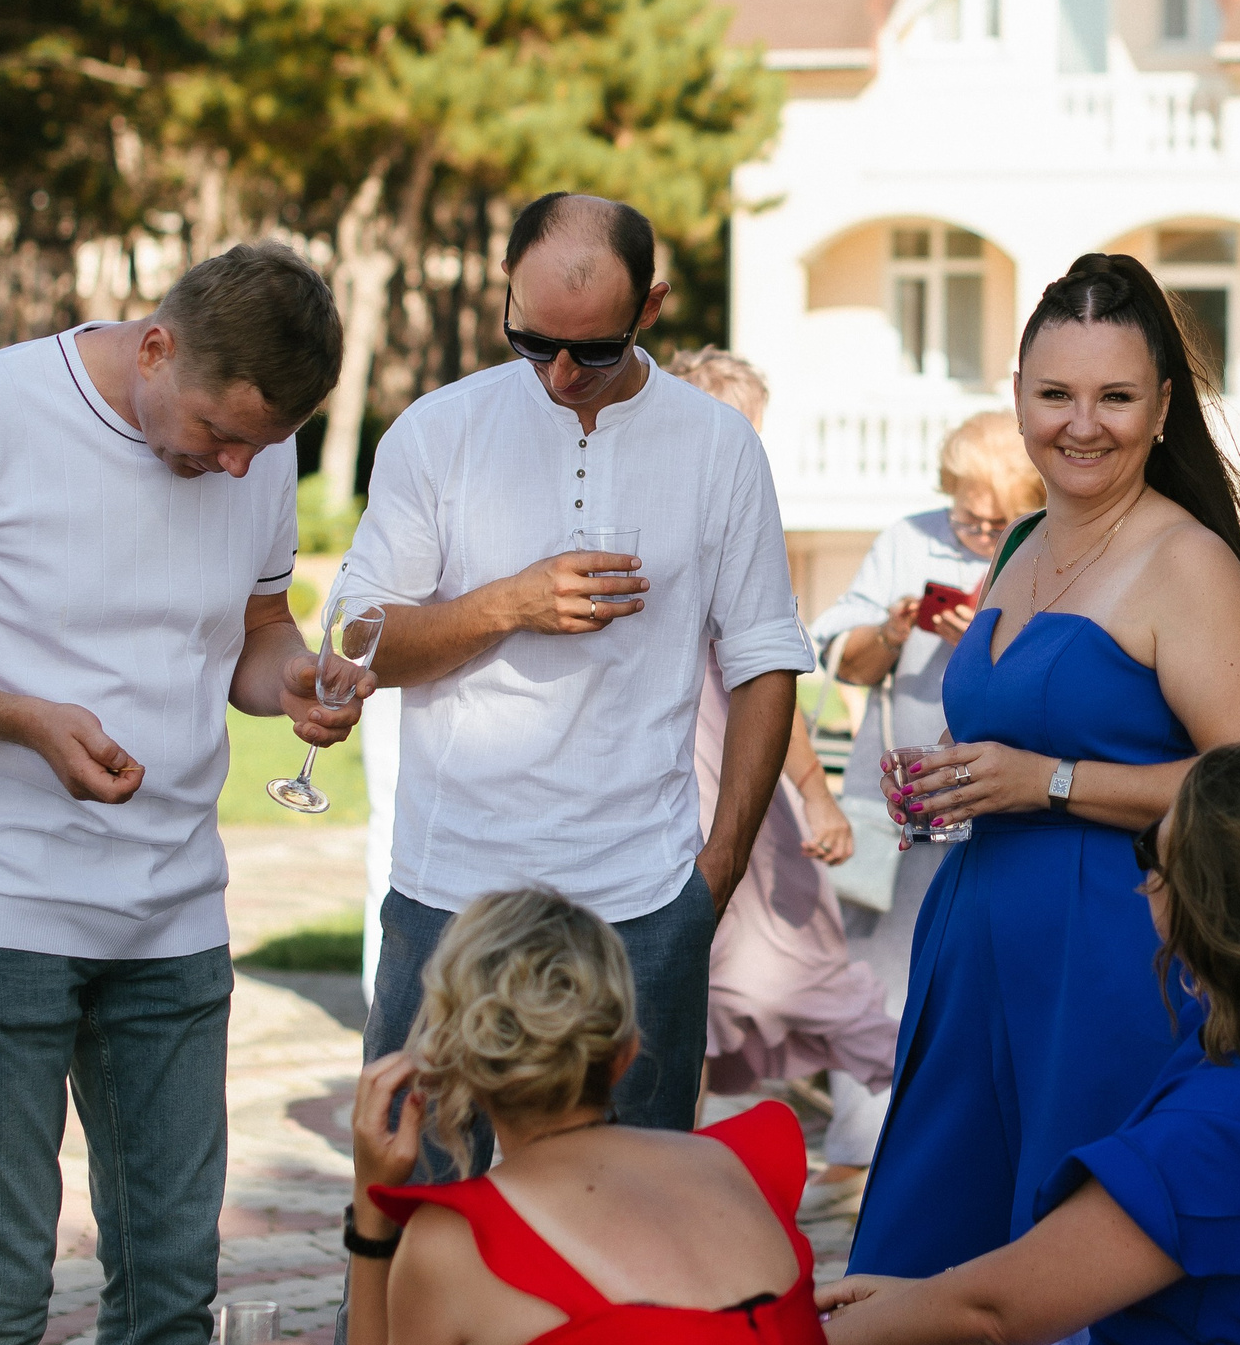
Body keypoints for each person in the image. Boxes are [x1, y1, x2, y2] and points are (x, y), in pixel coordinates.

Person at [0, 242, 360, 1345]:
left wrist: (289, 680)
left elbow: (253, 631)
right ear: (154, 347)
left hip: (175, 914)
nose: (239, 469)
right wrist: (25, 718)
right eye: (220, 434)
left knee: (168, 1296)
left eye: (265, 445)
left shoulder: (256, 450)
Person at [846, 252, 1240, 1286]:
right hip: (971, 946)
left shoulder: (1184, 563)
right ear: (1016, 397)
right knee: (927, 1259)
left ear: (1164, 407)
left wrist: (1046, 783)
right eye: (1054, 394)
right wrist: (952, 779)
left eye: (1115, 397)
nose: (1080, 424)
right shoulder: (1021, 545)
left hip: (1111, 958)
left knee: (1068, 1273)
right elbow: (1005, 736)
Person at [338, 192, 811, 1160]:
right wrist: (504, 605)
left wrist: (713, 873)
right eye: (531, 340)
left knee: (631, 1211)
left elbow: (764, 658)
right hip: (452, 885)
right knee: (419, 1196)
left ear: (652, 305)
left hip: (641, 891)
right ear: (504, 293)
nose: (558, 374)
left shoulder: (717, 447)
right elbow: (357, 644)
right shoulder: (436, 432)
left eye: (592, 350)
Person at [817, 745, 1240, 1345]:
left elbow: (996, 1314)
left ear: (1200, 901)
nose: (1140, 882)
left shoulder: (1216, 1127)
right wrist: (917, 1302)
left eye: (1149, 854)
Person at [340, 886, 828, 1345]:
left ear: (461, 1068)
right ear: (626, 1052)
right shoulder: (746, 1162)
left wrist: (371, 1206)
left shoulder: (456, 1243)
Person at [662, 346, 897, 1223]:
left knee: (750, 967)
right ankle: (673, 1170)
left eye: (751, 439)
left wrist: (817, 792)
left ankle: (701, 1168)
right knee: (685, 985)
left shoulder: (738, 534)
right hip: (668, 784)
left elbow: (777, 690)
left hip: (733, 790)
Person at [810, 410, 1044, 1016]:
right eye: (967, 518)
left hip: (998, 801)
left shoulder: (1046, 550)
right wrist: (891, 632)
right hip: (901, 800)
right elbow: (839, 660)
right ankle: (870, 1111)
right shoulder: (909, 540)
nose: (980, 536)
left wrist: (989, 645)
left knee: (979, 987)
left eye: (999, 525)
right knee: (880, 990)